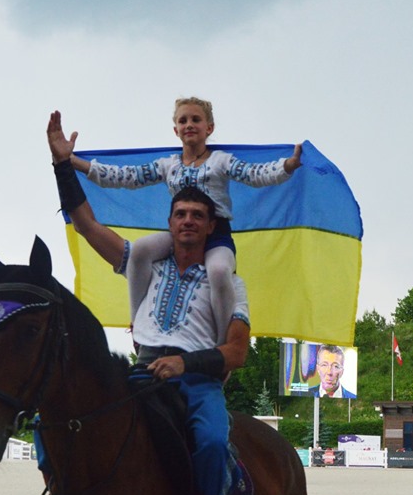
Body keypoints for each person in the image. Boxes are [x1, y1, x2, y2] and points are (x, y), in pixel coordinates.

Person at [48, 110, 252, 495]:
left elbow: (237, 353)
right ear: (170, 222)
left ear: (210, 226)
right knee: (57, 420)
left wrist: (185, 361)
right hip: (139, 374)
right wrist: (62, 164)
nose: (187, 221)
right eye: (180, 214)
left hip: (199, 382)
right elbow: (84, 223)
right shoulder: (143, 263)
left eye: (197, 216)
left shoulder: (230, 284)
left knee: (210, 444)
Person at [67, 97, 302, 346]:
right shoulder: (168, 165)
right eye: (183, 120)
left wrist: (287, 165)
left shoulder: (221, 161)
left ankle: (222, 344)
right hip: (180, 235)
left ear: (209, 128)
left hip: (216, 235)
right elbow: (125, 176)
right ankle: (138, 323)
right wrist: (73, 163)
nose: (189, 124)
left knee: (220, 271)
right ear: (175, 130)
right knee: (140, 251)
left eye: (195, 119)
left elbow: (255, 175)